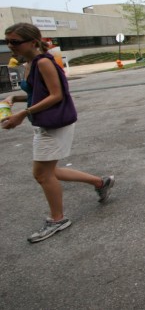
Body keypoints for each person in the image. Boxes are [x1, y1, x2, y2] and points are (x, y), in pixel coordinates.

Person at [2, 23, 115, 243]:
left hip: (53, 124)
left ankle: (58, 219)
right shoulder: (30, 63)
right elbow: (38, 93)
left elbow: (56, 95)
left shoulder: (44, 62)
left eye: (15, 41)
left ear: (33, 42)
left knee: (42, 174)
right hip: (45, 122)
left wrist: (22, 114)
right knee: (50, 171)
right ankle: (100, 183)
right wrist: (14, 99)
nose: (10, 46)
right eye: (7, 41)